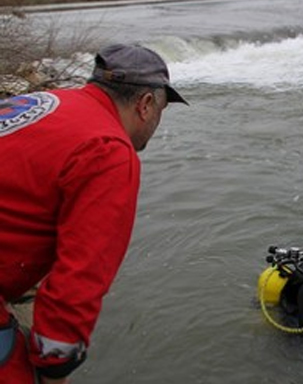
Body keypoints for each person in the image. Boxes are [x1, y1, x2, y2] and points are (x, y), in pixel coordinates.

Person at [0, 43, 187, 384]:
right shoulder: (108, 150)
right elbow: (79, 281)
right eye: (162, 110)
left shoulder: (48, 102)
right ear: (146, 105)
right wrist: (54, 368)